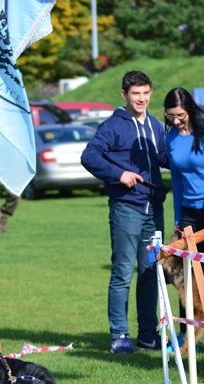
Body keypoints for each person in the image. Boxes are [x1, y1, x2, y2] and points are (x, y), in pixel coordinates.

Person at [81, 70, 166, 353]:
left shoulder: (156, 126)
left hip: (154, 209)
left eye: (145, 93)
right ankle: (119, 335)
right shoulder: (113, 126)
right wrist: (120, 174)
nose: (141, 99)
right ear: (124, 95)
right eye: (135, 94)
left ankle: (147, 333)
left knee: (150, 272)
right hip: (127, 209)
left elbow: (166, 157)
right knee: (122, 273)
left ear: (151, 92)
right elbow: (89, 156)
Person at [163, 87, 204, 249]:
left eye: (180, 115)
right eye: (170, 116)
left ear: (190, 111)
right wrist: (178, 219)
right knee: (188, 265)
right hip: (189, 210)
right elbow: (177, 180)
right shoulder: (171, 138)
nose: (176, 121)